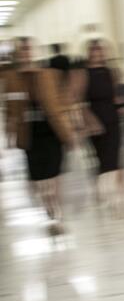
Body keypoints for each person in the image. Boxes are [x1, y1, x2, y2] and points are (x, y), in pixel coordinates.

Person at [5, 37, 74, 233]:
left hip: (52, 131)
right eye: (23, 50)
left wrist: (70, 130)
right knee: (39, 180)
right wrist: (10, 135)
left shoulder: (48, 75)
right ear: (19, 54)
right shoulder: (12, 79)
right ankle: (49, 211)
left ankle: (58, 216)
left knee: (54, 177)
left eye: (29, 50)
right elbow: (10, 109)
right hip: (30, 134)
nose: (26, 53)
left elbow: (61, 103)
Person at [79, 38, 124, 216]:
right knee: (101, 159)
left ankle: (117, 197)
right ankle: (104, 192)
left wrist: (123, 107)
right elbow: (80, 101)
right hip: (94, 119)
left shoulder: (110, 71)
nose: (98, 54)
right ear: (89, 53)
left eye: (101, 51)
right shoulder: (83, 73)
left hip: (113, 119)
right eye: (94, 51)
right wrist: (87, 122)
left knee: (113, 158)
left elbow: (116, 94)